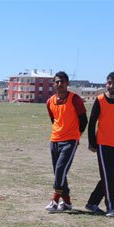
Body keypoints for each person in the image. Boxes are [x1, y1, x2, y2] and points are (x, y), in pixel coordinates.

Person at [85, 72, 114, 217]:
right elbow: (92, 122)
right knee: (107, 177)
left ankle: (92, 203)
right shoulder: (100, 100)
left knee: (109, 177)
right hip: (102, 144)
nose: (112, 85)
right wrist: (92, 143)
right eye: (109, 83)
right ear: (106, 84)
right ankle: (110, 207)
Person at [45, 71, 88, 212]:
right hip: (55, 140)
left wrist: (77, 135)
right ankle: (67, 202)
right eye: (57, 82)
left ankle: (55, 201)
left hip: (70, 140)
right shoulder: (50, 101)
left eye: (62, 81)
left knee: (60, 170)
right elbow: (54, 120)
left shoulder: (75, 99)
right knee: (59, 172)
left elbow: (83, 120)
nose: (59, 84)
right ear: (53, 84)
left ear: (68, 83)